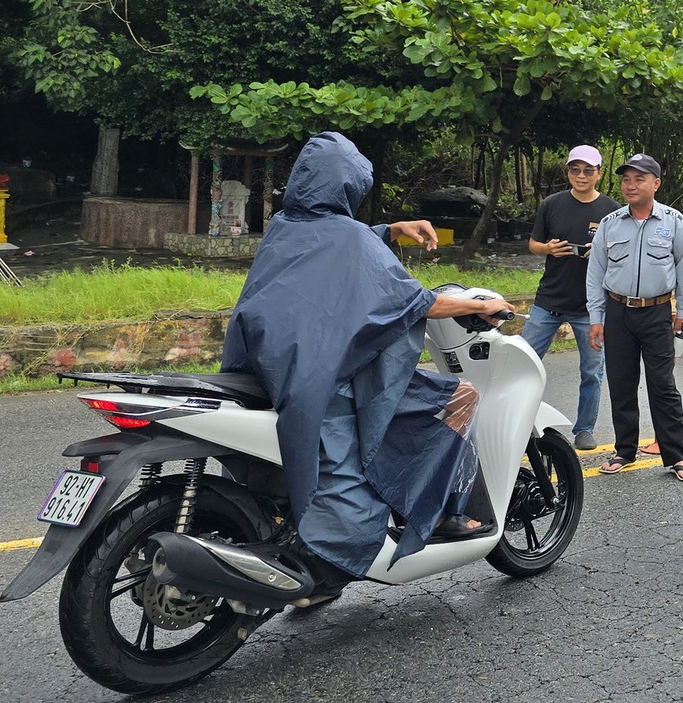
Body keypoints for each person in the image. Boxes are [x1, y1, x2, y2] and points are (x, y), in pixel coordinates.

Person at [221, 132, 515, 593]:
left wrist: (392, 230)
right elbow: (414, 302)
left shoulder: (285, 224)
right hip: (327, 378)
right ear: (348, 188)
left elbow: (336, 245)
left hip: (272, 370)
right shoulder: (350, 238)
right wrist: (478, 306)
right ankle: (448, 514)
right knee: (461, 395)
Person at [586, 153, 683, 480]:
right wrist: (596, 317)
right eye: (626, 179)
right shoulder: (609, 224)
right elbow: (595, 274)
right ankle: (625, 450)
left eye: (639, 179)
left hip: (657, 312)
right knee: (621, 383)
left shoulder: (674, 221)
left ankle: (676, 455)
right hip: (618, 312)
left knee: (663, 385)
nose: (630, 185)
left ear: (656, 183)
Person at [521, 145, 618, 451]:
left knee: (592, 371)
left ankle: (585, 428)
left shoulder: (612, 211)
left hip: (590, 308)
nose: (581, 176)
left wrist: (600, 254)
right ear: (568, 172)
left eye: (588, 170)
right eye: (575, 170)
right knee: (522, 364)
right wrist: (548, 249)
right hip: (548, 300)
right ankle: (519, 422)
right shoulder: (552, 204)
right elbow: (533, 244)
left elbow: (620, 254)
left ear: (599, 174)